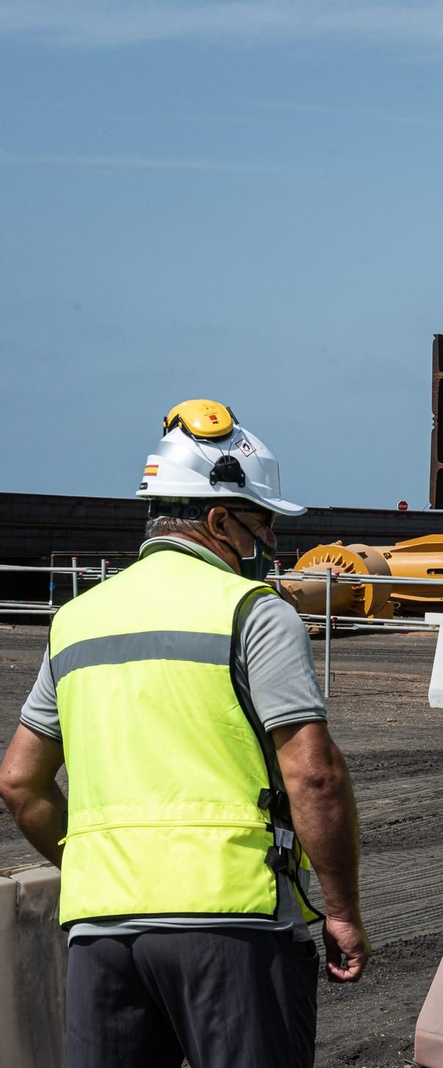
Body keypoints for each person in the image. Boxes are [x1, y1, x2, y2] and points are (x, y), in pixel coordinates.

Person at [0, 400, 368, 1068]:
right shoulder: (256, 614)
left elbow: (20, 783)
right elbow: (314, 775)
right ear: (220, 519)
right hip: (231, 922)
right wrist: (340, 909)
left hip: (102, 928)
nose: (272, 546)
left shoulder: (76, 620)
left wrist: (98, 868)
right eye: (263, 524)